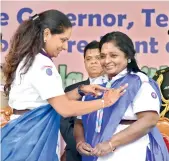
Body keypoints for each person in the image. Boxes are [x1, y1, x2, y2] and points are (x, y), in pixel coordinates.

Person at [0, 10, 127, 161]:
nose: (65, 46)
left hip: (23, 134)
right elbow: (65, 108)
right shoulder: (41, 64)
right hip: (31, 138)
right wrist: (105, 102)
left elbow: (48, 101)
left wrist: (81, 91)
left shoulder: (30, 58)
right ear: (47, 34)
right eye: (63, 39)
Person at [74, 31, 169, 161]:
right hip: (95, 154)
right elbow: (79, 122)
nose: (107, 61)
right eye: (102, 56)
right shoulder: (95, 84)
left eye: (113, 55)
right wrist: (80, 142)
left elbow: (149, 120)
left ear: (128, 56)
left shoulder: (139, 81)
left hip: (129, 153)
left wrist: (112, 143)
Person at [60, 41, 107, 161]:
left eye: (98, 58)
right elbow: (65, 125)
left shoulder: (113, 89)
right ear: (84, 62)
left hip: (106, 151)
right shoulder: (73, 91)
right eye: (89, 58)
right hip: (76, 154)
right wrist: (80, 144)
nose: (93, 62)